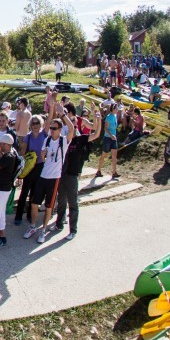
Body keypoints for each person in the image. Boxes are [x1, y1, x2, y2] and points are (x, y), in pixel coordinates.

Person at [53, 104, 101, 241]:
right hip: (62, 173)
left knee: (72, 203)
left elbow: (96, 133)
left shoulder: (81, 139)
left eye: (74, 122)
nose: (72, 124)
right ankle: (59, 224)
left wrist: (99, 119)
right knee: (61, 200)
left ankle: (73, 230)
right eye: (70, 122)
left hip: (73, 175)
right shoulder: (65, 139)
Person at [24, 111, 74, 244]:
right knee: (34, 204)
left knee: (48, 206)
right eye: (50, 128)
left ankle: (44, 230)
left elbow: (72, 129)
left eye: (54, 128)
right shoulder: (47, 139)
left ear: (59, 130)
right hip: (43, 175)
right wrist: (43, 154)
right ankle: (33, 226)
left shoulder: (64, 141)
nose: (51, 130)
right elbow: (42, 158)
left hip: (54, 178)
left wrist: (62, 114)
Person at [93, 102, 119, 179]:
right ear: (113, 109)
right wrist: (111, 135)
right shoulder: (108, 117)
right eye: (117, 108)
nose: (118, 110)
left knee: (114, 156)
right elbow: (106, 128)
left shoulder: (115, 116)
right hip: (108, 138)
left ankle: (114, 172)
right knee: (104, 155)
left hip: (113, 138)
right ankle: (98, 170)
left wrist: (114, 136)